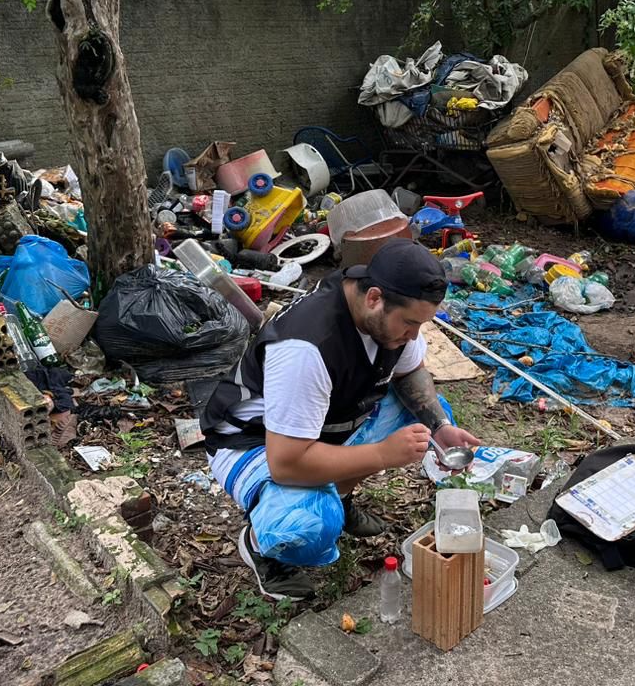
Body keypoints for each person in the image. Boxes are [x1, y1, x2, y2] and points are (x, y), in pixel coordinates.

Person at [202, 239, 481, 600]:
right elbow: (286, 464)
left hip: (320, 424)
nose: (414, 335)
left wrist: (440, 427)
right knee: (310, 524)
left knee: (424, 422)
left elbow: (411, 372)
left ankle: (341, 494)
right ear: (374, 298)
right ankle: (260, 544)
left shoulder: (381, 308)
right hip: (254, 443)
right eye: (410, 323)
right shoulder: (306, 349)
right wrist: (381, 454)